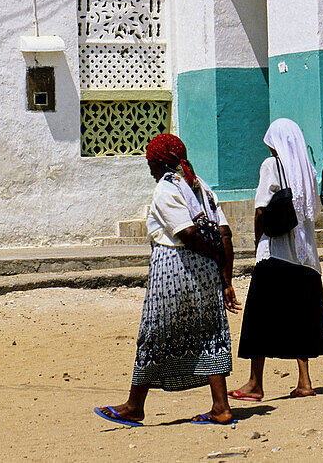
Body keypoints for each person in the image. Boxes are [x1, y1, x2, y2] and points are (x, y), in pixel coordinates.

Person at [94, 133, 241, 428]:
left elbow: (187, 234)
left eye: (149, 161)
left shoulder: (165, 189)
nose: (148, 167)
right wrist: (225, 278)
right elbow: (224, 234)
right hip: (207, 273)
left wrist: (210, 255)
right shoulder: (201, 187)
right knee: (210, 333)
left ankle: (135, 406)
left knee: (155, 332)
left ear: (159, 162)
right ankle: (221, 407)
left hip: (174, 270)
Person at [231, 118, 323, 401]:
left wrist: (256, 239)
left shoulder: (270, 166)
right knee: (300, 315)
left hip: (275, 252)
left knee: (260, 316)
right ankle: (305, 380)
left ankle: (255, 382)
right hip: (306, 257)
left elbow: (261, 209)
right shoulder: (307, 171)